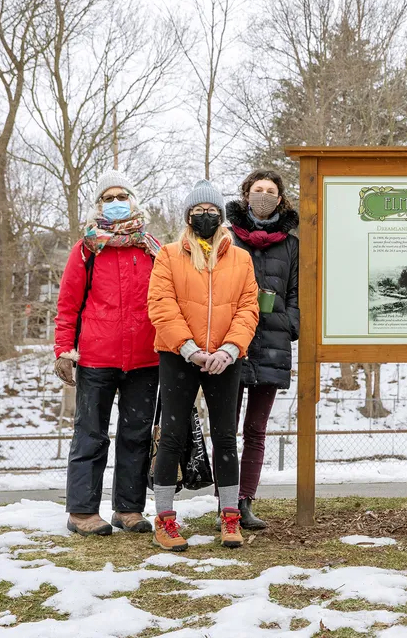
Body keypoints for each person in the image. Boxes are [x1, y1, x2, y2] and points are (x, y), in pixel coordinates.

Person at [147, 180, 260, 551]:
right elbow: (161, 305)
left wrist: (229, 349)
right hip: (179, 355)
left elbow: (248, 308)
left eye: (212, 211)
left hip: (227, 358)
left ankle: (229, 516)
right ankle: (164, 519)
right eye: (198, 212)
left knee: (226, 436)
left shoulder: (241, 258)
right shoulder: (168, 255)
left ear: (221, 216)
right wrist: (190, 349)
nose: (205, 216)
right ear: (188, 217)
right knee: (173, 436)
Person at [55, 170, 161, 537]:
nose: (116, 203)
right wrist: (64, 350)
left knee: (137, 435)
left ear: (134, 201)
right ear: (98, 206)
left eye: (122, 196)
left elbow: (167, 301)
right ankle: (82, 511)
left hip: (146, 360)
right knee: (91, 434)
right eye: (108, 198)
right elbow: (68, 304)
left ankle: (128, 509)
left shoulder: (152, 248)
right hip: (97, 359)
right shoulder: (87, 249)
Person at [225, 170, 299, 530]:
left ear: (281, 198)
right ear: (245, 194)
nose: (264, 196)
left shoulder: (291, 244)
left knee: (255, 429)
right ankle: (225, 504)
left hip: (272, 342)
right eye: (258, 190)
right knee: (226, 427)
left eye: (271, 191)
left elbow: (297, 291)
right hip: (230, 343)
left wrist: (290, 325)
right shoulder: (227, 238)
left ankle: (245, 500)